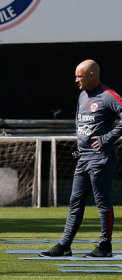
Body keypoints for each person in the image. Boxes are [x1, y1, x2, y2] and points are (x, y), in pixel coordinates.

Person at [40, 59, 122, 258]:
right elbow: (82, 126)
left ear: (92, 75)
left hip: (101, 158)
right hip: (84, 159)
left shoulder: (109, 96)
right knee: (75, 202)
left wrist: (106, 138)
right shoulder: (81, 96)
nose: (76, 80)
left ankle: (105, 246)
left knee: (102, 203)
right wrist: (81, 147)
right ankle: (65, 245)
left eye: (79, 75)